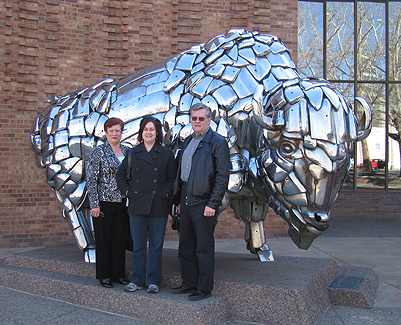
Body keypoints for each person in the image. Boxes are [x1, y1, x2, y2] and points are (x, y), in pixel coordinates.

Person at [170, 103, 230, 301]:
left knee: (203, 247)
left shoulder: (217, 142)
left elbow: (222, 176)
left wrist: (213, 204)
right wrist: (178, 199)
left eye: (201, 118)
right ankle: (189, 283)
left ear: (209, 120)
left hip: (204, 202)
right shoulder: (188, 141)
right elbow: (182, 173)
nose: (197, 121)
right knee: (185, 244)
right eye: (194, 118)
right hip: (186, 199)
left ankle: (204, 288)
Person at [116, 116, 177, 294]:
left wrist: (165, 194)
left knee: (156, 246)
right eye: (145, 129)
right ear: (141, 132)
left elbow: (172, 178)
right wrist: (128, 192)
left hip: (158, 204)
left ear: (157, 132)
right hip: (137, 205)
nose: (148, 132)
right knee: (139, 245)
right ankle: (137, 279)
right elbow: (120, 176)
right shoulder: (133, 153)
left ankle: (153, 280)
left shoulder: (166, 153)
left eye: (152, 129)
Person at [86, 117, 130, 288]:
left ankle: (118, 274)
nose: (114, 133)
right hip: (104, 203)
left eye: (117, 130)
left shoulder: (127, 151)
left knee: (120, 239)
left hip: (123, 203)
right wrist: (94, 204)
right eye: (111, 130)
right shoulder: (99, 152)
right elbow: (91, 179)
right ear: (106, 132)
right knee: (104, 241)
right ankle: (104, 275)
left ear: (121, 132)